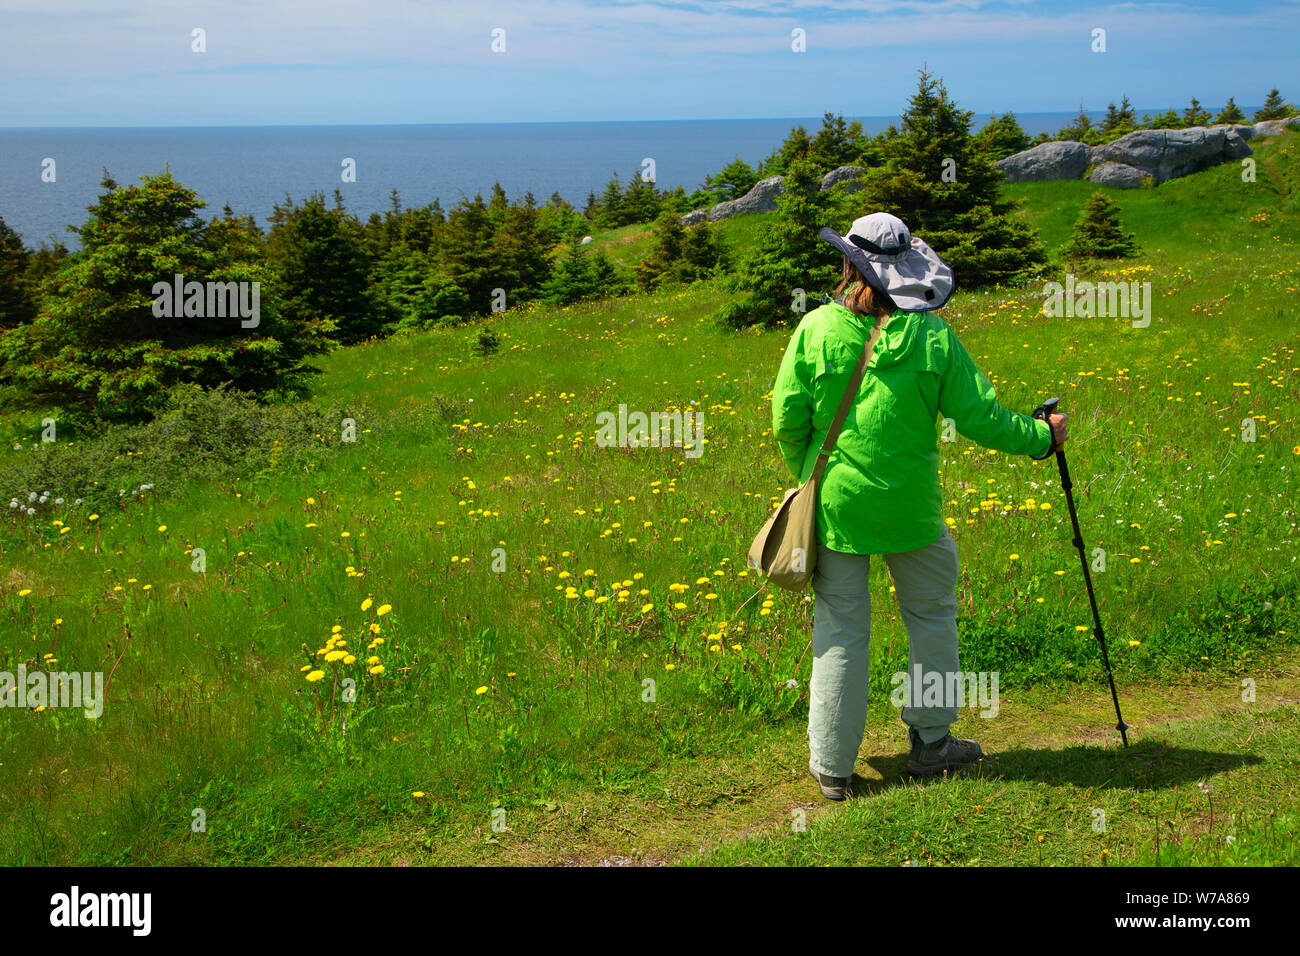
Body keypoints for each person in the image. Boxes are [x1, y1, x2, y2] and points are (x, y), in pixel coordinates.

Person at [770, 212, 1069, 800]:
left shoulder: (815, 329)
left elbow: (787, 420)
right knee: (932, 618)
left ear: (850, 264)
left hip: (837, 508)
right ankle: (932, 744)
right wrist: (1041, 437)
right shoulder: (933, 335)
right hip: (913, 512)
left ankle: (832, 767)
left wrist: (811, 476)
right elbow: (979, 417)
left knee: (840, 633)